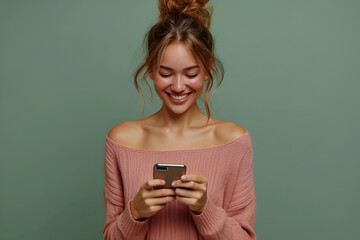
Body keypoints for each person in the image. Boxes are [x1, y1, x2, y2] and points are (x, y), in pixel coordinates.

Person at [102, 0, 256, 239]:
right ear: (150, 69)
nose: (178, 86)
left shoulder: (234, 141)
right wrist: (135, 213)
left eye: (191, 74)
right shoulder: (121, 141)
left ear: (208, 70)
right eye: (165, 73)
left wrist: (206, 209)